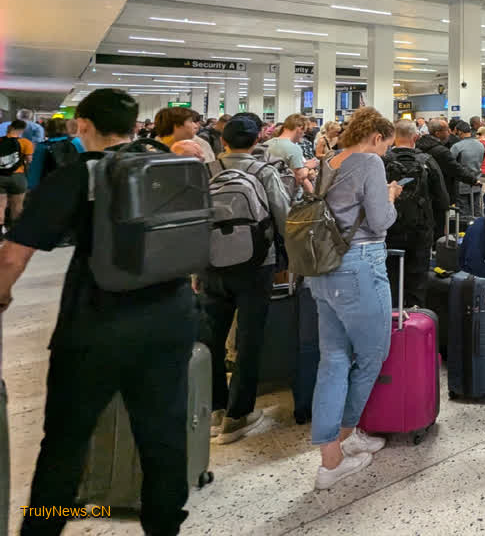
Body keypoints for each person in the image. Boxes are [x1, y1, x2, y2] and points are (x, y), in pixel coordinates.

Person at [0, 89, 195, 535]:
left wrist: (3, 295)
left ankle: (44, 527)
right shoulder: (167, 165)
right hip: (170, 316)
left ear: (83, 125)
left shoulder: (77, 175)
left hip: (96, 325)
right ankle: (164, 527)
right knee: (164, 437)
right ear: (133, 125)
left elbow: (13, 257)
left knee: (66, 443)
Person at [306, 107, 402, 490]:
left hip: (323, 268)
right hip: (359, 266)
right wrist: (391, 195)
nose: (384, 154)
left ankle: (330, 459)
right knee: (372, 353)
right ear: (376, 137)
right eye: (385, 146)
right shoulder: (368, 163)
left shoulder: (331, 159)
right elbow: (380, 221)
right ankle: (347, 437)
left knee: (332, 360)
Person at [200, 115, 292, 444]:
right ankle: (238, 415)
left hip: (211, 266)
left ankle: (214, 410)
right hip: (256, 266)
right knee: (249, 340)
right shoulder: (263, 171)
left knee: (211, 338)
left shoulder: (205, 171)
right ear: (256, 142)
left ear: (222, 141)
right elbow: (284, 218)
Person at [384, 119, 449, 308]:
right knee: (418, 279)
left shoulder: (382, 160)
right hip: (421, 229)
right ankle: (416, 320)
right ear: (415, 137)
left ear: (393, 138)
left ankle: (393, 321)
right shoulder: (427, 161)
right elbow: (442, 199)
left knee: (390, 277)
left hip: (389, 228)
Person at [416, 119, 478, 232]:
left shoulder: (419, 147)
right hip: (441, 191)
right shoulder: (442, 151)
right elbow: (456, 169)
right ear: (437, 133)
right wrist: (473, 180)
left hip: (424, 192)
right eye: (446, 130)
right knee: (440, 224)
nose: (449, 132)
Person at [26, 118, 84, 190]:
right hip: (74, 187)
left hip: (49, 188)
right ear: (66, 128)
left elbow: (34, 174)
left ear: (46, 130)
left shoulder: (41, 147)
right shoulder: (77, 142)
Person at [265, 113, 316, 195]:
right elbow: (299, 177)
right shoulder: (294, 148)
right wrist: (308, 167)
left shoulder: (267, 143)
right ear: (299, 128)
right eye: (304, 131)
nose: (303, 135)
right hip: (288, 195)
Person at [0, 119, 35, 229]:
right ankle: (14, 232)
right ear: (22, 130)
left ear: (10, 127)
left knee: (1, 206)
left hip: (0, 176)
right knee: (17, 206)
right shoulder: (26, 143)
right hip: (18, 177)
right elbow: (29, 161)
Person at [450, 121, 485, 214]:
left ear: (460, 132)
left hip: (461, 185)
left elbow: (450, 164)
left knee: (463, 214)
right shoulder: (480, 145)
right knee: (477, 210)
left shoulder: (457, 147)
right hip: (477, 182)